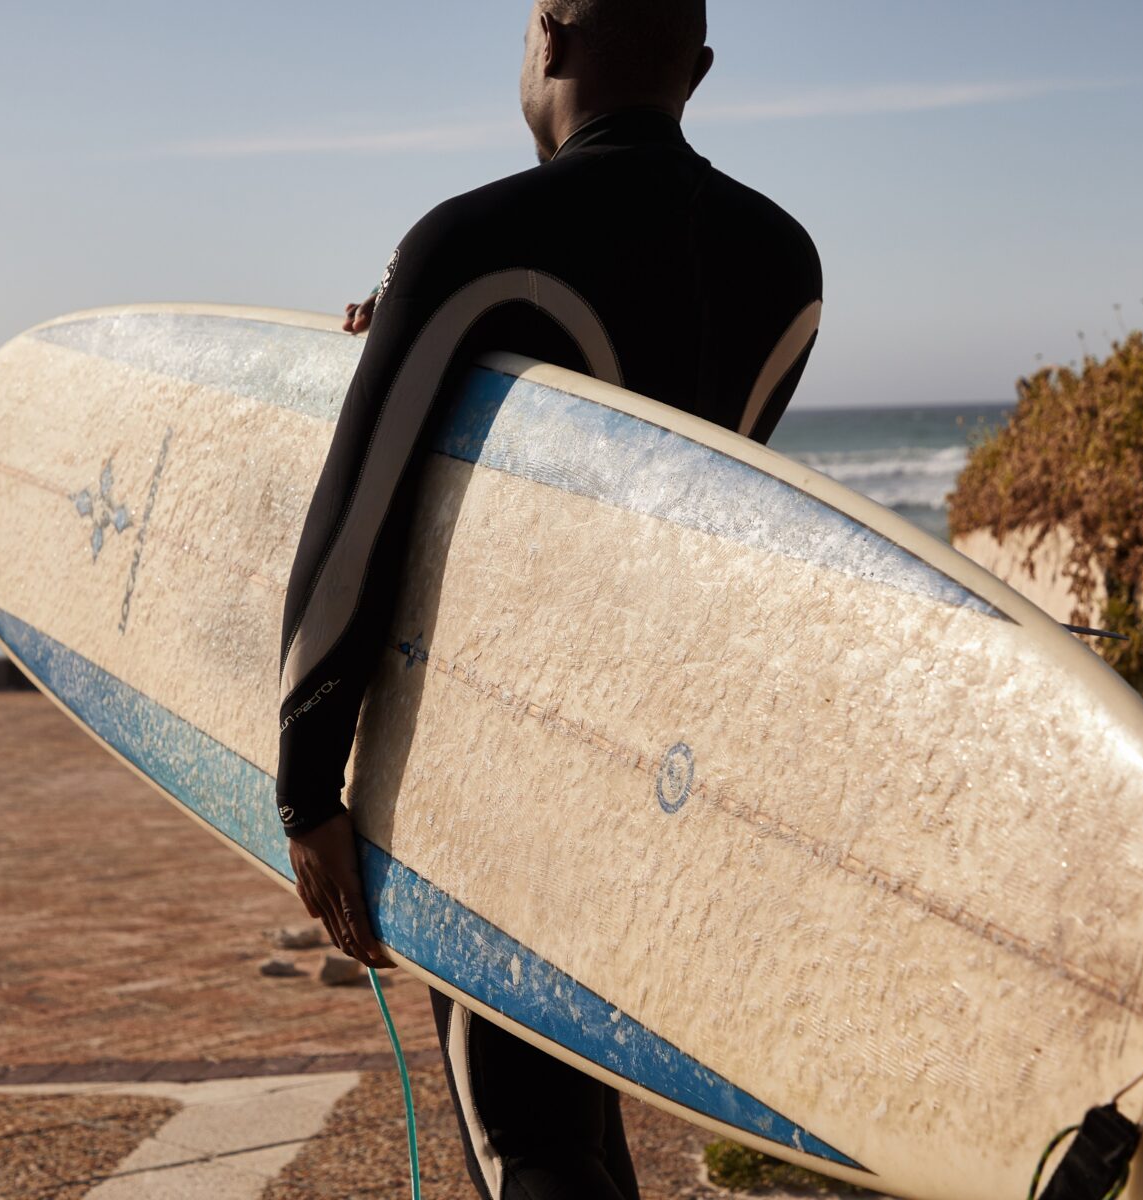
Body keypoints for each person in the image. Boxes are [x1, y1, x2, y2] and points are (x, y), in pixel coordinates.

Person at [276, 2, 821, 1196]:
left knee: (523, 1132)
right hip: (656, 766)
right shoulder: (786, 261)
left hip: (493, 761)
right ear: (702, 72)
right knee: (575, 1112)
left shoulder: (469, 241)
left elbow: (356, 519)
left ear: (550, 39)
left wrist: (306, 778)